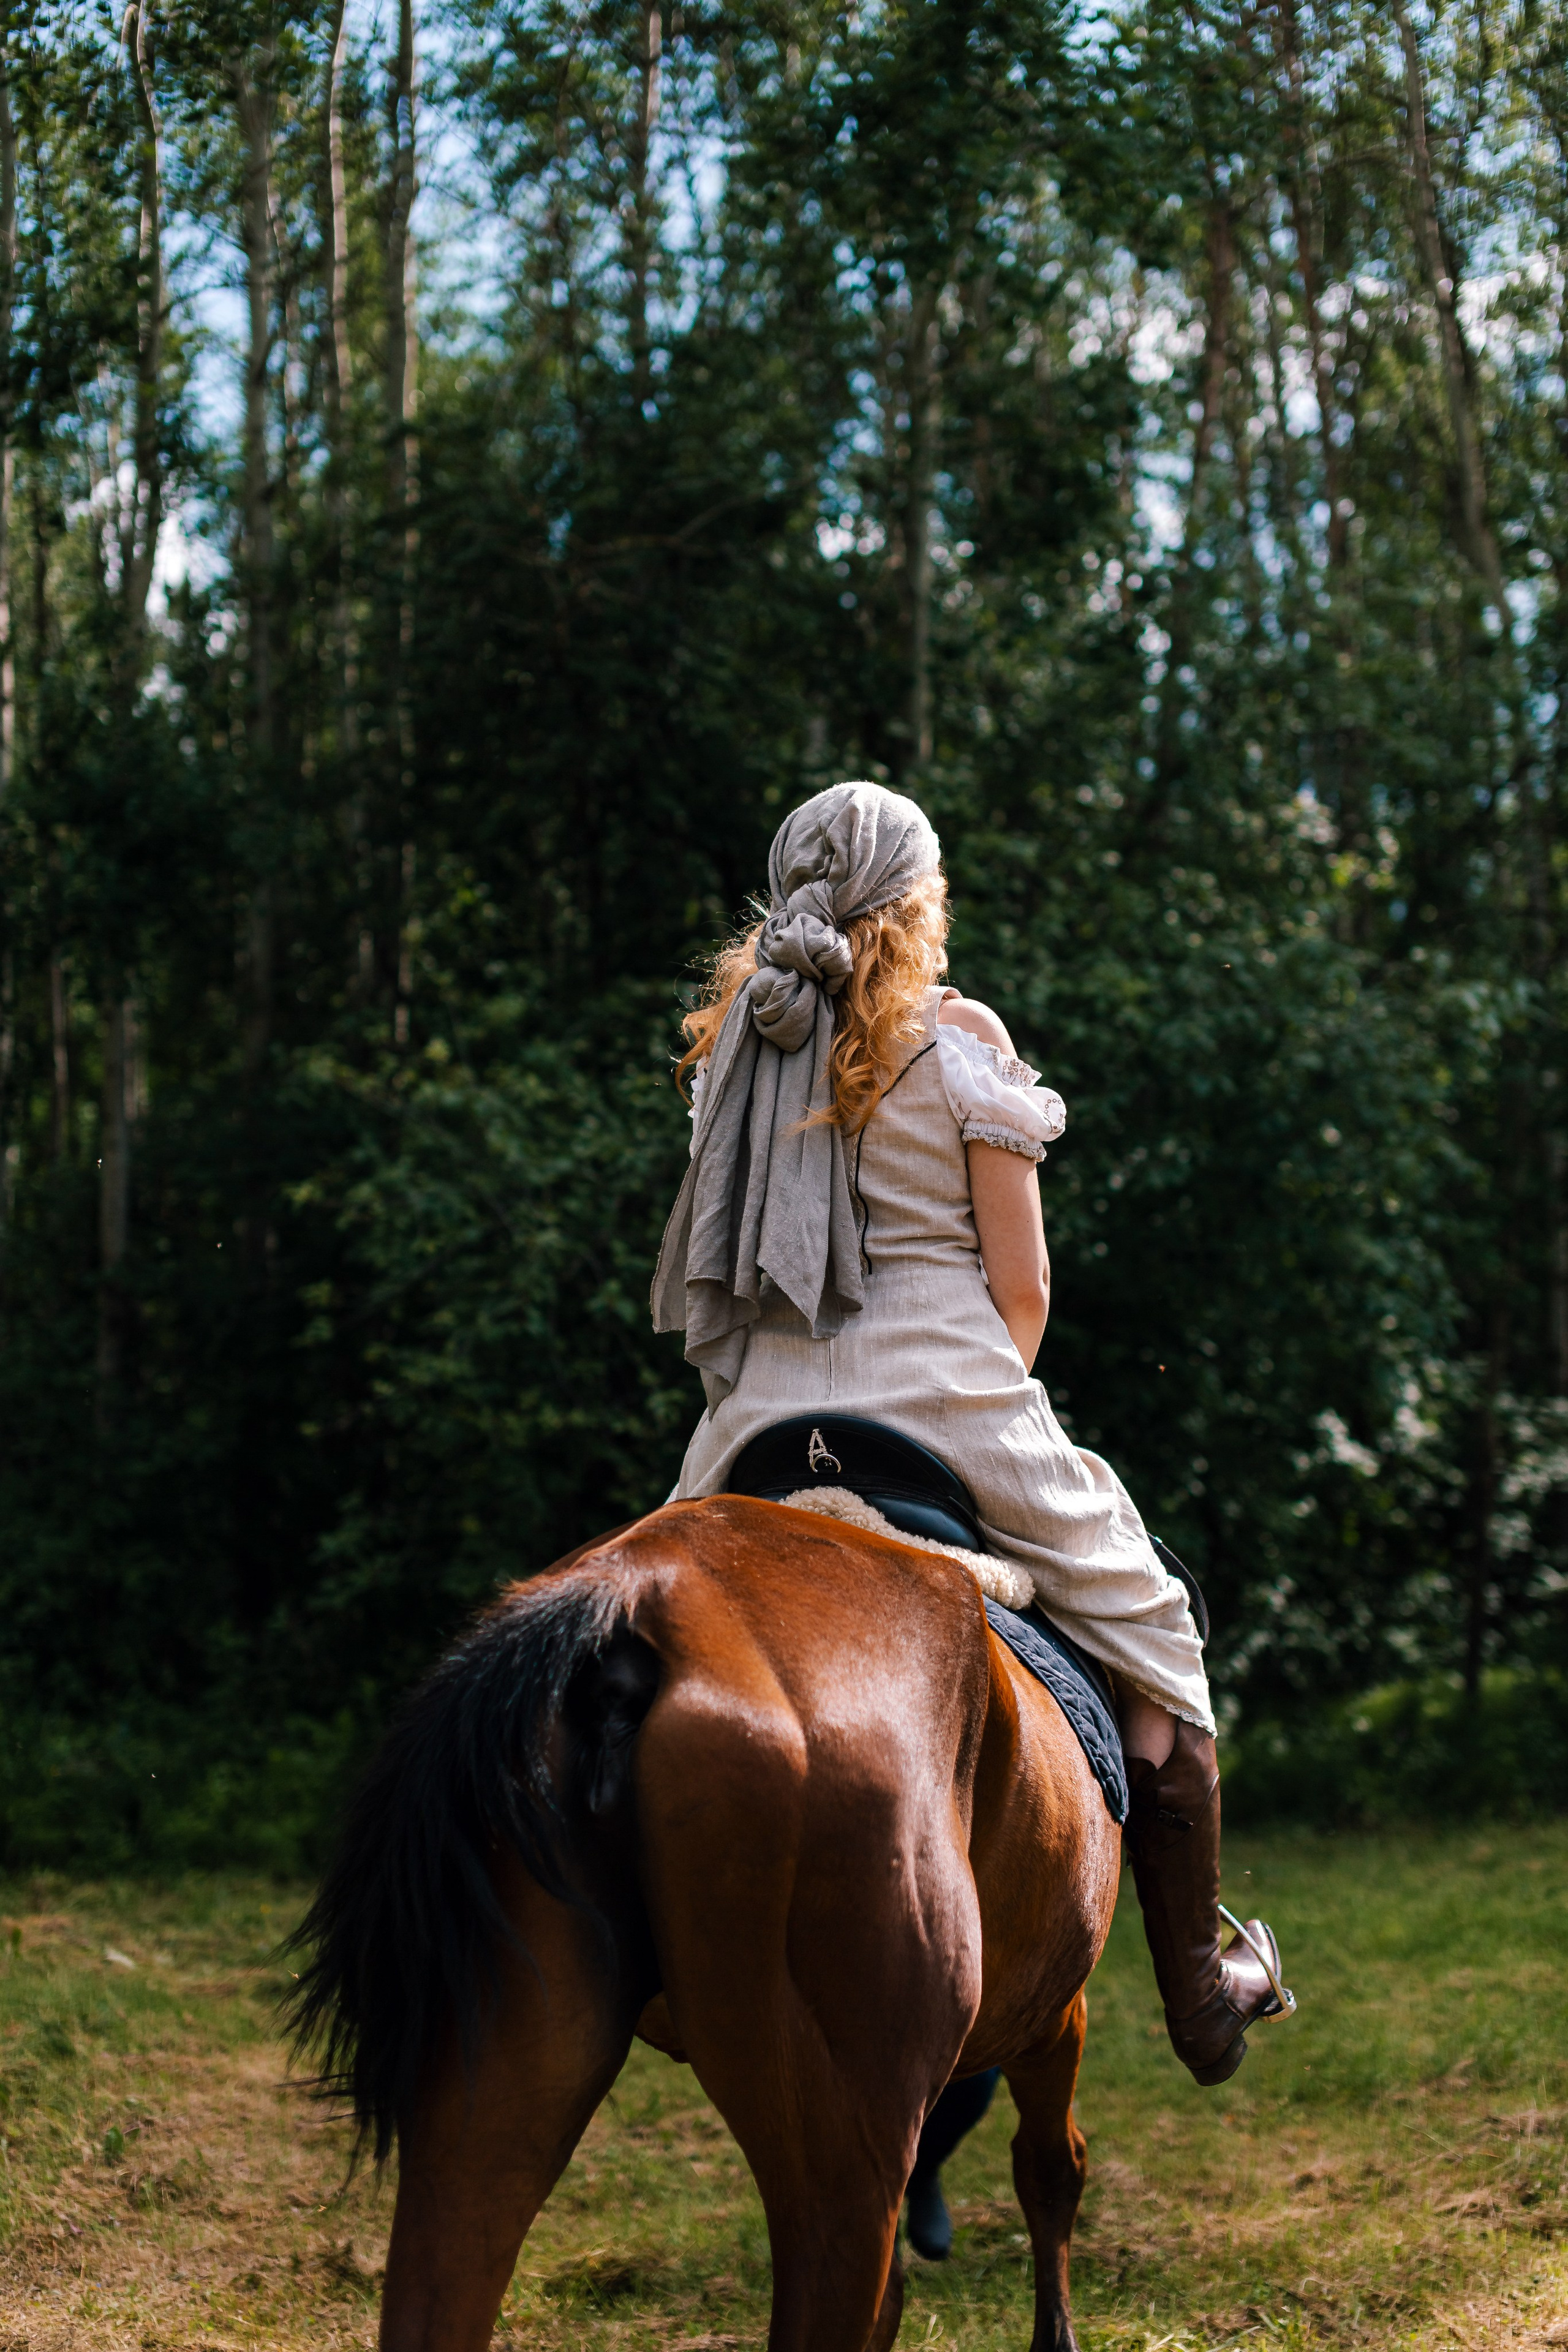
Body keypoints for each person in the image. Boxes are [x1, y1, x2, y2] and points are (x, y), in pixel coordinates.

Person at [650, 781, 1289, 2127]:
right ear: (918, 903)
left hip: (755, 1427)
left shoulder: (732, 1058)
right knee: (1158, 1634)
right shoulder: (962, 1048)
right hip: (949, 1413)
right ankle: (1195, 1990)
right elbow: (1022, 1299)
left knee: (638, 1644)